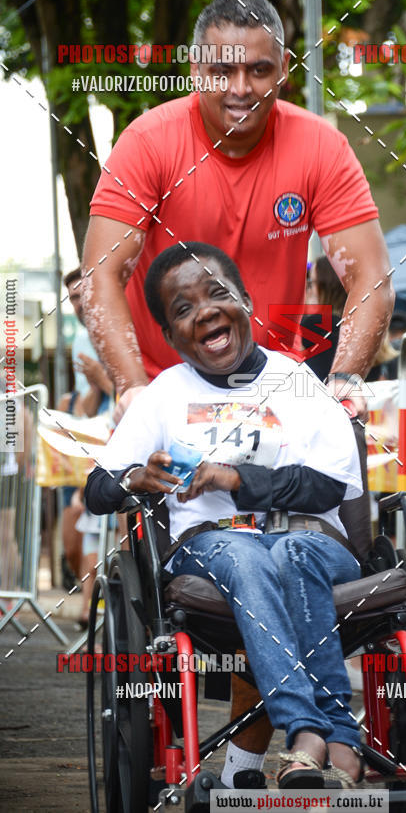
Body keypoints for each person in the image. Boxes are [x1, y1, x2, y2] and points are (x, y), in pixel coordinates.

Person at [81, 0, 394, 783]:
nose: (241, 86)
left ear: (284, 68)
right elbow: (101, 275)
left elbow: (368, 277)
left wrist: (344, 380)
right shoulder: (150, 141)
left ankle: (253, 758)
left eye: (259, 69)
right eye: (223, 69)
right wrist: (131, 387)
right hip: (170, 379)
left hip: (277, 379)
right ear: (196, 68)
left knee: (284, 549)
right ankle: (257, 739)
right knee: (220, 553)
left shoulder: (318, 145)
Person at [85, 243, 365, 787]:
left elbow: (330, 485)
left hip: (311, 541)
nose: (205, 311)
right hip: (214, 545)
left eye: (217, 293)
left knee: (291, 552)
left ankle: (315, 735)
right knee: (245, 554)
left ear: (246, 302)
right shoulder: (164, 395)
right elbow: (97, 489)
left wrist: (234, 479)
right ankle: (317, 731)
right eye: (183, 308)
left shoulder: (297, 380)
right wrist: (134, 477)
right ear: (170, 336)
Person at [60, 268, 114, 626]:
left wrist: (103, 380)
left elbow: (137, 400)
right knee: (80, 528)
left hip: (129, 448)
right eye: (73, 298)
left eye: (82, 294)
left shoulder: (124, 328)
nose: (78, 304)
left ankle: (94, 611)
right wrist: (96, 383)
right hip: (95, 447)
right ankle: (90, 609)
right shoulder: (82, 340)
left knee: (100, 525)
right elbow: (86, 410)